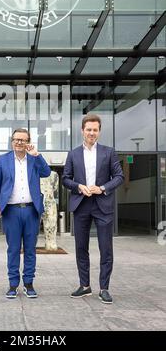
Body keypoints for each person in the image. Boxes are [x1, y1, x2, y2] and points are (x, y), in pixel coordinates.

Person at [62, 114, 124, 304]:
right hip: (81, 204)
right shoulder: (73, 154)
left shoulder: (109, 152)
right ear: (82, 130)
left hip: (102, 205)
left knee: (106, 249)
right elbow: (65, 178)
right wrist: (79, 186)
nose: (91, 133)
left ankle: (104, 288)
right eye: (88, 129)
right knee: (81, 248)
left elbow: (119, 176)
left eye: (95, 130)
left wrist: (103, 188)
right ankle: (85, 286)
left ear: (99, 131)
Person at [0, 128, 51, 299]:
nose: (19, 142)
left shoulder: (33, 159)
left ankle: (29, 284)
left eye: (23, 140)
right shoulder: (3, 160)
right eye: (16, 139)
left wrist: (37, 155)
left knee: (30, 250)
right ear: (12, 141)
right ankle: (12, 285)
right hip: (11, 211)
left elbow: (46, 172)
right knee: (13, 249)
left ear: (28, 142)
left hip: (32, 211)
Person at [40, 170, 59, 250]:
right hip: (36, 200)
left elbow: (55, 187)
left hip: (49, 201)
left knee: (51, 223)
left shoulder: (53, 174)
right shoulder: (31, 172)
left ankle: (51, 243)